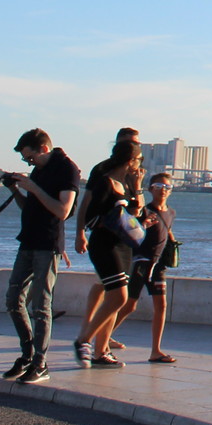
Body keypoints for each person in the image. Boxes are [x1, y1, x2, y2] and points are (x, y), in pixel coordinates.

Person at [0, 128, 81, 385]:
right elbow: (31, 206)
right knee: (13, 300)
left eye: (30, 158)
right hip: (28, 241)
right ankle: (27, 354)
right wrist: (16, 190)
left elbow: (63, 210)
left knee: (41, 306)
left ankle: (40, 363)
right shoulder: (40, 169)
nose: (28, 163)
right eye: (26, 160)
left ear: (43, 149)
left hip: (47, 244)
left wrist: (33, 187)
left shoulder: (67, 169)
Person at [73, 140, 142, 367]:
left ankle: (100, 352)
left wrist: (137, 188)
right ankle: (84, 340)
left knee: (115, 300)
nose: (139, 164)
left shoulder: (126, 183)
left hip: (123, 246)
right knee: (119, 297)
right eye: (138, 159)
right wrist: (113, 219)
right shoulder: (105, 183)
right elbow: (90, 216)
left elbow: (135, 211)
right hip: (105, 245)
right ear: (130, 160)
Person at [118, 171, 176, 363]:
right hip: (140, 263)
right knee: (128, 305)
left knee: (161, 305)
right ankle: (103, 334)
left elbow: (166, 230)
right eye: (159, 187)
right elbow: (128, 231)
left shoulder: (171, 212)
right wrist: (142, 224)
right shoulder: (145, 210)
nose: (163, 191)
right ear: (151, 189)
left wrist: (173, 245)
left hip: (158, 265)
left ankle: (156, 350)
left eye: (167, 187)